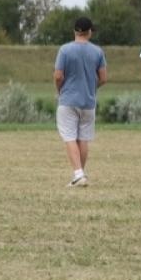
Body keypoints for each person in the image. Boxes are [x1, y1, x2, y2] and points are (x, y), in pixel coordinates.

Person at [53, 16, 107, 186]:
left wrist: (59, 90)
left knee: (69, 136)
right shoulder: (97, 51)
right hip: (88, 101)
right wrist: (91, 86)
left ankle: (78, 174)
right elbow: (103, 78)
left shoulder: (65, 50)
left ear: (75, 31)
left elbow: (58, 76)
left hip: (68, 99)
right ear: (89, 32)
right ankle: (79, 175)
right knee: (83, 138)